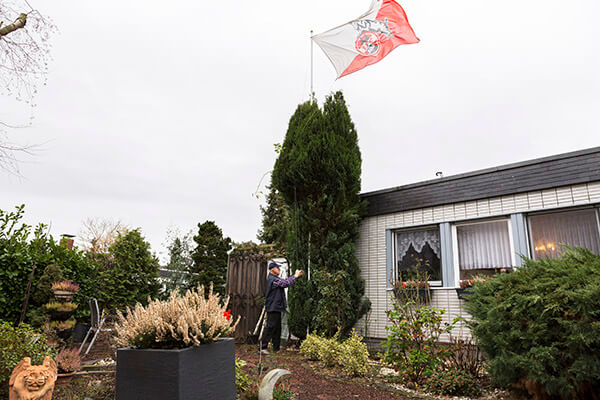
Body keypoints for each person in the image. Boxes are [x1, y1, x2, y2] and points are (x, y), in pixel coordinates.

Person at [260, 261, 304, 355]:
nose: (279, 269)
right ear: (272, 269)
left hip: (276, 307)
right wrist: (295, 276)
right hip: (273, 307)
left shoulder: (275, 278)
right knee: (270, 327)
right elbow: (285, 283)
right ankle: (262, 348)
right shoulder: (273, 279)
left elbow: (284, 282)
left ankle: (276, 348)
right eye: (277, 268)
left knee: (277, 328)